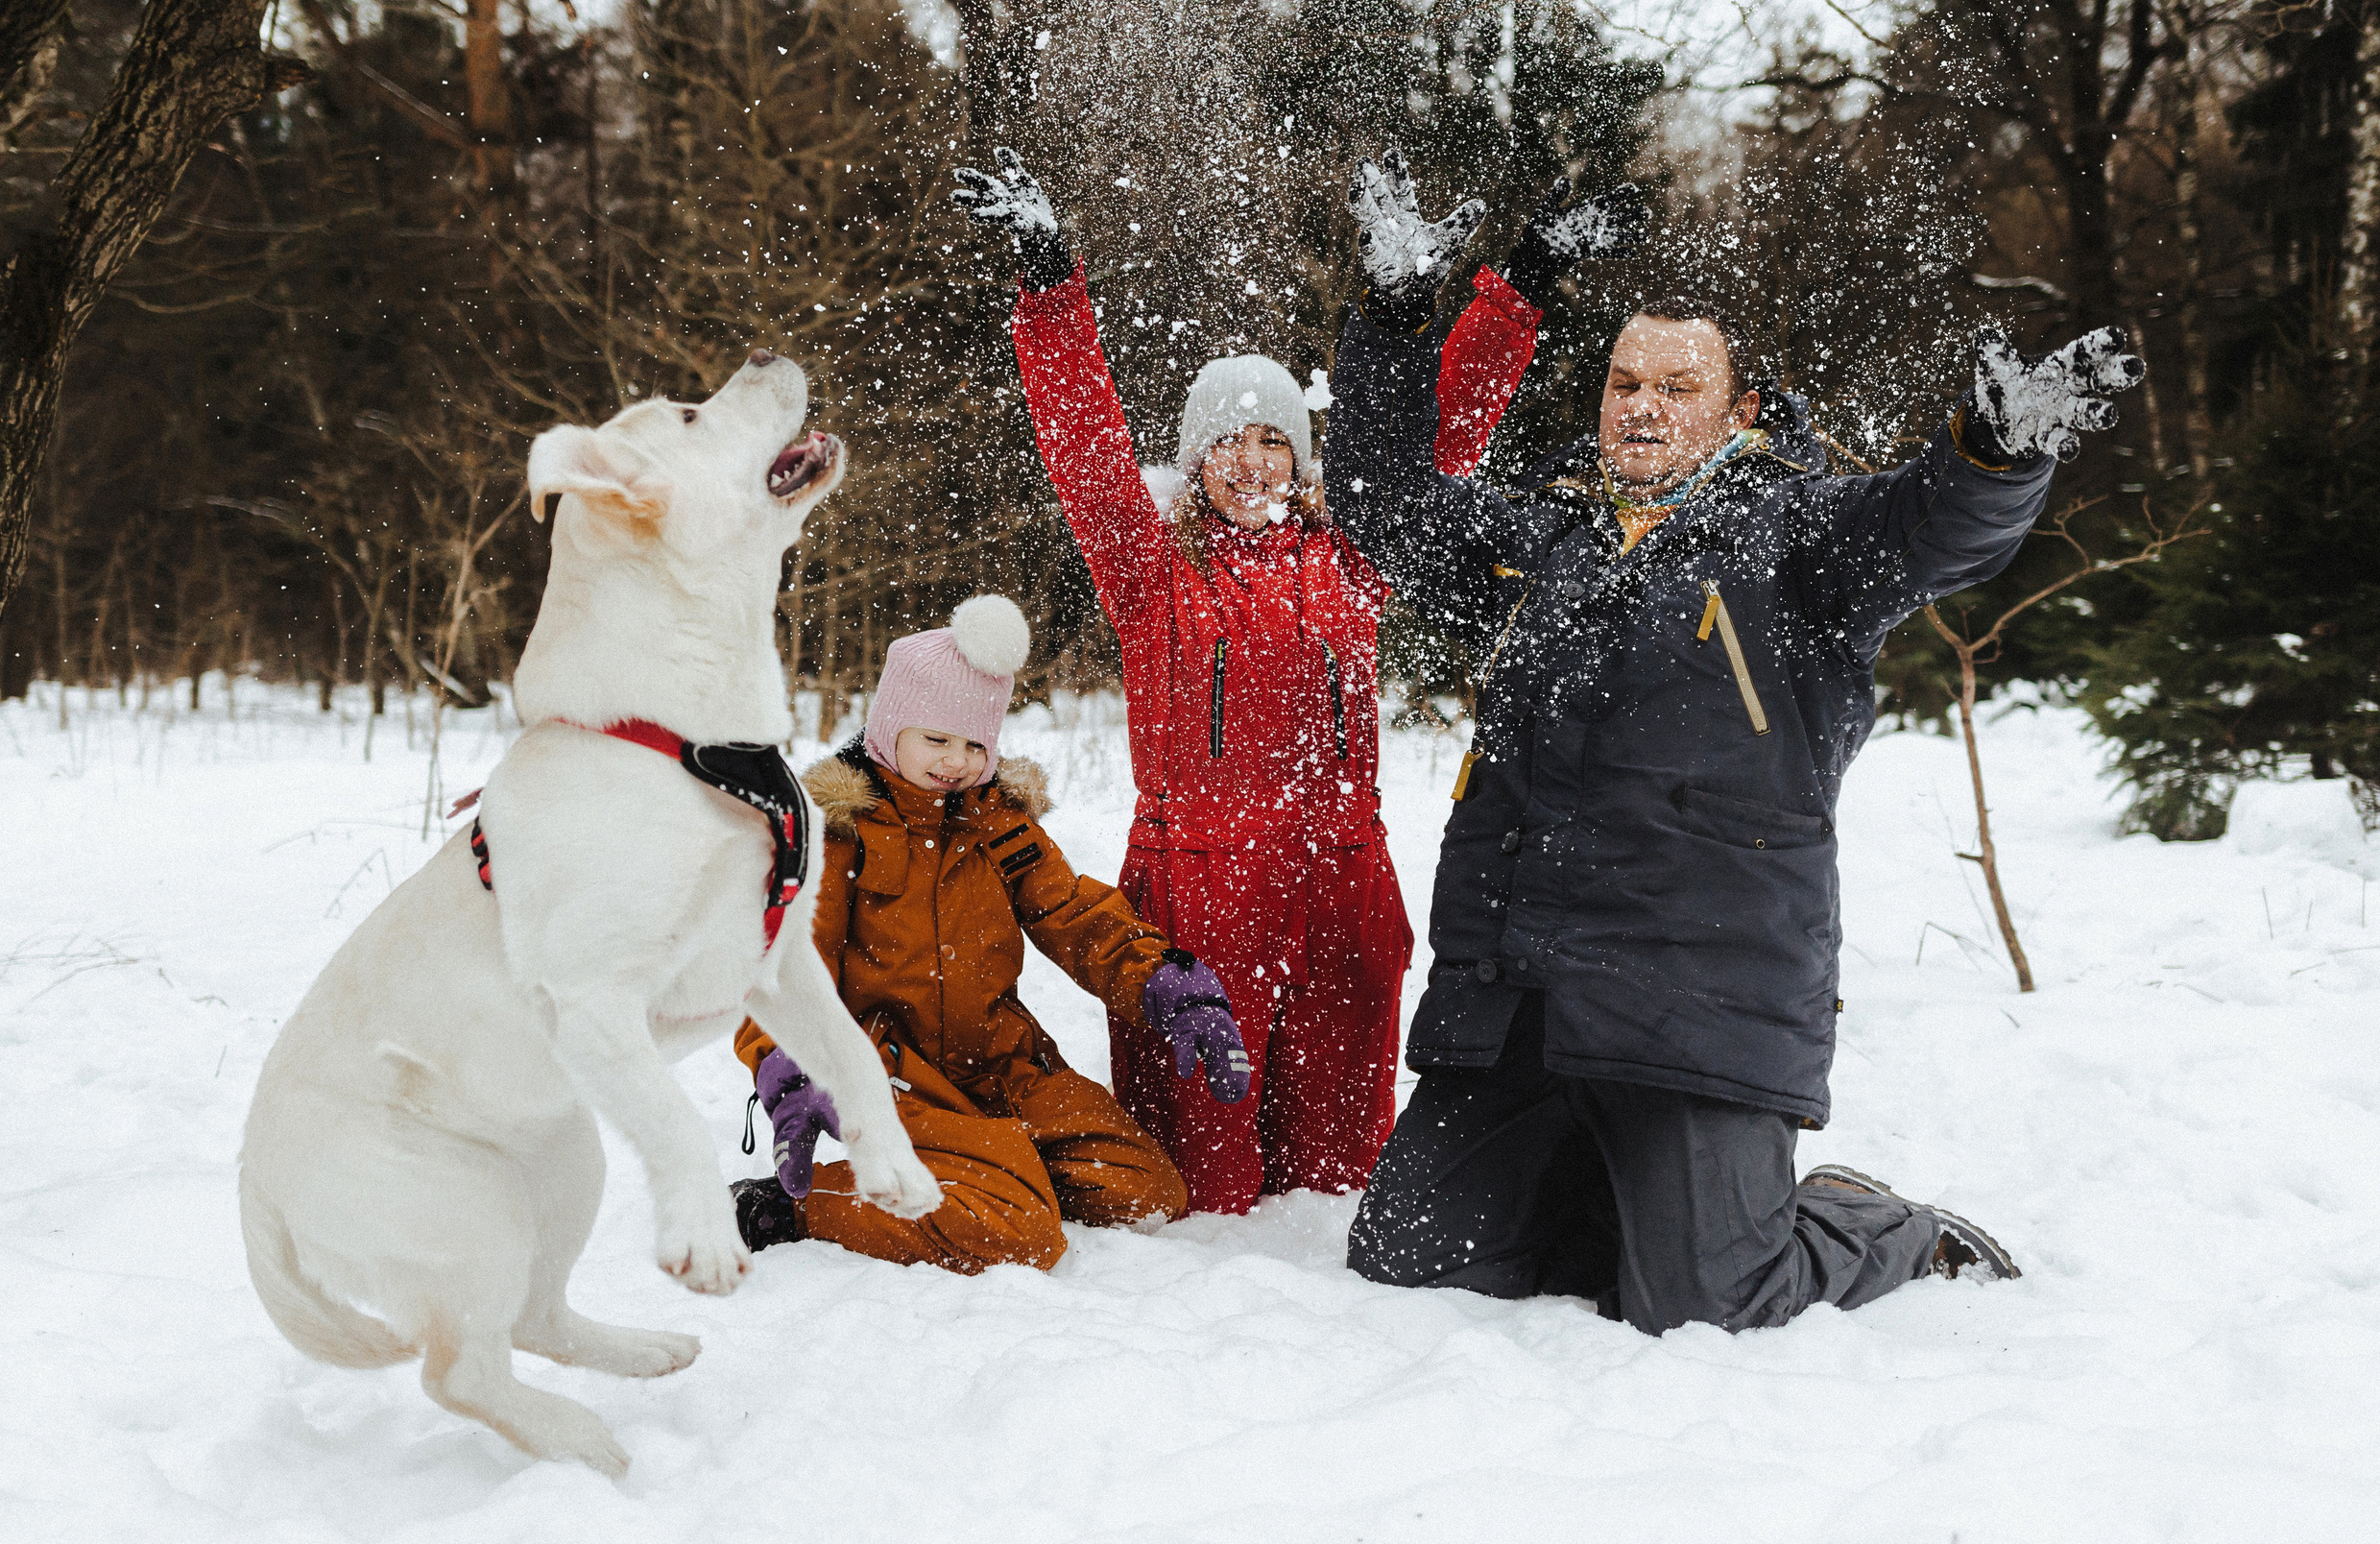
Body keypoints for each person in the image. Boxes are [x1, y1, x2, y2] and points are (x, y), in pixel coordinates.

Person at [1326, 149, 2146, 1333]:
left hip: (1689, 995)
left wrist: (1992, 452)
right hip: (1522, 1001)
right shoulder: (1543, 536)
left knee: (1711, 1300)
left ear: (1739, 409)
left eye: (1676, 385)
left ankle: (1873, 1224)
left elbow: (1931, 530)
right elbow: (1386, 502)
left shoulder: (1800, 540)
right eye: (1622, 383)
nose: (1642, 407)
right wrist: (1401, 321)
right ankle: (1623, 1206)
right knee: (1409, 1259)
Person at [950, 147, 1647, 1215]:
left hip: (1339, 888)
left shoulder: (1354, 552)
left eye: (1276, 440)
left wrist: (1524, 284)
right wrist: (1050, 286)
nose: (1253, 461)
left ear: (1304, 458)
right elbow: (1083, 447)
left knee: (1334, 1193)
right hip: (1198, 895)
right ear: (1194, 459)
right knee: (1201, 1194)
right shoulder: (1152, 569)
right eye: (1228, 441)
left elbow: (1446, 427)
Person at [729, 594, 1249, 1272]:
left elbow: (1076, 915)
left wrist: (1168, 982)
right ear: (891, 727)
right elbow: (785, 963)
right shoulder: (839, 833)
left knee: (1144, 1189)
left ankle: (989, 1172)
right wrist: (792, 1065)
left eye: (975, 744)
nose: (955, 761)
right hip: (901, 1075)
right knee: (1021, 1233)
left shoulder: (999, 824)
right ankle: (800, 1204)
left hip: (1004, 1067)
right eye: (936, 739)